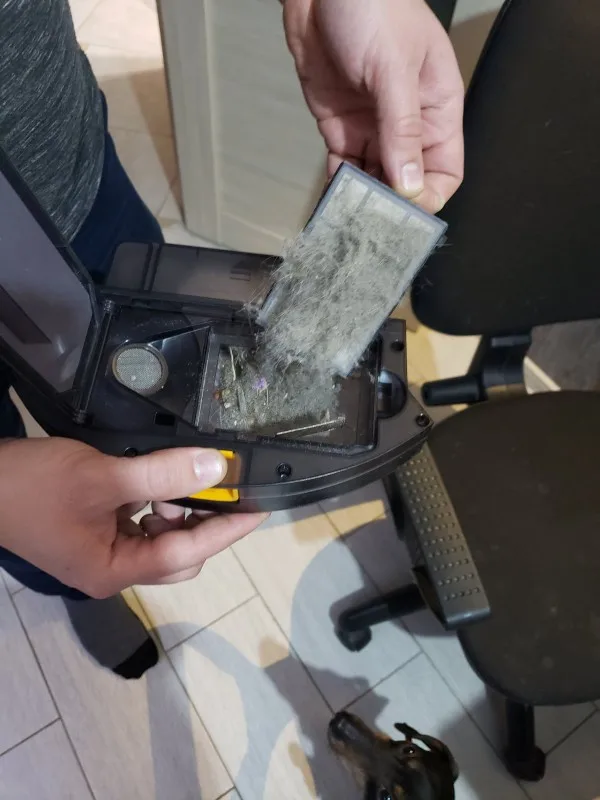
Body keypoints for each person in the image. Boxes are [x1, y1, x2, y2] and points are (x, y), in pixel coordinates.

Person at [0, 0, 464, 679]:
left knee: (127, 393)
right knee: (41, 518)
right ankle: (69, 577)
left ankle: (88, 553)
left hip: (65, 165)